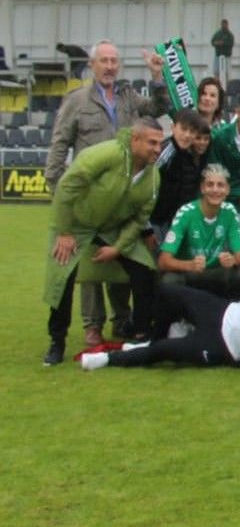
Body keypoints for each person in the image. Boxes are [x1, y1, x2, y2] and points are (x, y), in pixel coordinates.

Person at [44, 39, 168, 345]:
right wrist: (57, 188)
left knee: (119, 261)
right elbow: (60, 144)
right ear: (92, 64)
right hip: (89, 194)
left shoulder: (128, 97)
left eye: (114, 61)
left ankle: (122, 320)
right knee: (85, 268)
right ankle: (92, 325)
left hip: (122, 197)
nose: (110, 67)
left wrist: (156, 78)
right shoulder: (76, 101)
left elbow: (157, 110)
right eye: (104, 61)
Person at [86, 220, 240, 372]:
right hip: (225, 312)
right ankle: (152, 339)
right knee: (169, 292)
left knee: (164, 352)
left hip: (227, 346)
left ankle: (107, 359)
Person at [43, 119, 165, 365]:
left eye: (160, 144)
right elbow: (67, 186)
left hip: (112, 229)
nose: (157, 149)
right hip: (76, 224)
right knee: (62, 276)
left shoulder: (153, 178)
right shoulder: (106, 154)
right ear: (135, 140)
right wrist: (65, 232)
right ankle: (57, 342)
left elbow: (140, 219)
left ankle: (141, 334)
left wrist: (118, 248)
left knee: (145, 269)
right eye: (152, 143)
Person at [157, 163, 240, 299]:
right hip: (189, 273)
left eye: (220, 185)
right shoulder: (186, 212)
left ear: (228, 190)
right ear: (202, 188)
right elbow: (163, 261)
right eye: (210, 185)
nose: (215, 190)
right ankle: (175, 319)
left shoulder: (230, 211)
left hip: (215, 273)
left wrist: (232, 260)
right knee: (170, 281)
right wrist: (189, 265)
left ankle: (229, 315)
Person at [150, 109, 214, 238]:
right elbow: (148, 180)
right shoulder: (167, 150)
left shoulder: (189, 154)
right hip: (157, 220)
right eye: (183, 129)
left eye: (192, 131)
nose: (187, 135)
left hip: (175, 220)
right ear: (173, 128)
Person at [210, 18, 234, 84]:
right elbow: (212, 42)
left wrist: (223, 43)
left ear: (227, 25)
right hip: (218, 55)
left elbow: (231, 44)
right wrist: (217, 43)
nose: (224, 26)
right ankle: (216, 84)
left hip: (227, 56)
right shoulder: (218, 34)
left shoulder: (230, 35)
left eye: (225, 24)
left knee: (227, 73)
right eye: (223, 24)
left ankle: (227, 85)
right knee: (216, 72)